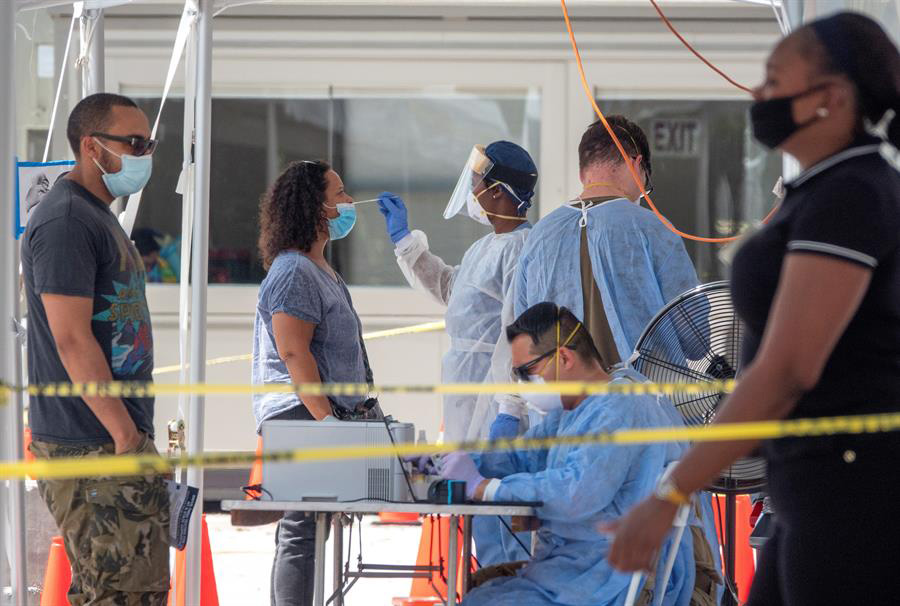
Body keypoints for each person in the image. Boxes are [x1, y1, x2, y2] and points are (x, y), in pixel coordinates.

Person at [606, 12, 900, 606]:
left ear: (833, 98)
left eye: (775, 80)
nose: (760, 94)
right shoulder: (821, 191)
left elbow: (788, 367)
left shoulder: (850, 195)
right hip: (810, 486)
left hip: (854, 492)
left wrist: (672, 493)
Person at [436, 303, 695, 606]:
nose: (522, 384)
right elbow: (523, 456)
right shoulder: (576, 411)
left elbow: (577, 493)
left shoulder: (620, 406)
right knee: (480, 593)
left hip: (610, 575)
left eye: (527, 372)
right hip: (574, 568)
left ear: (563, 358)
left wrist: (486, 488)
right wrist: (456, 462)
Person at [21, 92, 168, 605]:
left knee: (128, 589)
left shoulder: (95, 215)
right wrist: (125, 437)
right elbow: (71, 338)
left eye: (148, 144)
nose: (144, 154)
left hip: (107, 440)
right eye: (134, 143)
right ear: (91, 146)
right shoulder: (66, 220)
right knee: (122, 592)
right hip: (90, 441)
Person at [377, 142, 537, 565]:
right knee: (477, 516)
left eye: (478, 183)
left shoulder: (521, 251)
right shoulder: (485, 248)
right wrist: (406, 243)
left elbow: (518, 334)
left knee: (499, 523)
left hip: (493, 407)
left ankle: (506, 589)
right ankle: (486, 587)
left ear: (498, 192)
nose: (473, 191)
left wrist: (510, 407)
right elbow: (452, 289)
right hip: (469, 403)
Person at [253, 160, 377, 606]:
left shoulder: (320, 269)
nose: (349, 201)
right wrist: (326, 421)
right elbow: (294, 353)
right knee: (302, 528)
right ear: (315, 206)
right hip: (302, 416)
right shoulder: (294, 272)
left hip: (324, 415)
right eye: (339, 193)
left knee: (313, 526)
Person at [514, 115, 699, 366]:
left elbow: (524, 334)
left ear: (582, 174)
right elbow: (695, 339)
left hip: (562, 390)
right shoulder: (653, 228)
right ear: (637, 164)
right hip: (644, 390)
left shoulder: (539, 235)